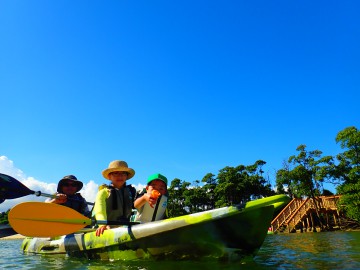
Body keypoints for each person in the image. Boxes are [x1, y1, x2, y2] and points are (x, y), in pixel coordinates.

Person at [92, 160, 136, 237]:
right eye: (116, 173)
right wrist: (102, 224)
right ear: (109, 176)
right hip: (106, 228)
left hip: (125, 228)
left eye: (123, 173)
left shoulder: (131, 192)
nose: (120, 176)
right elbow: (99, 210)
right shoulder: (103, 192)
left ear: (126, 176)